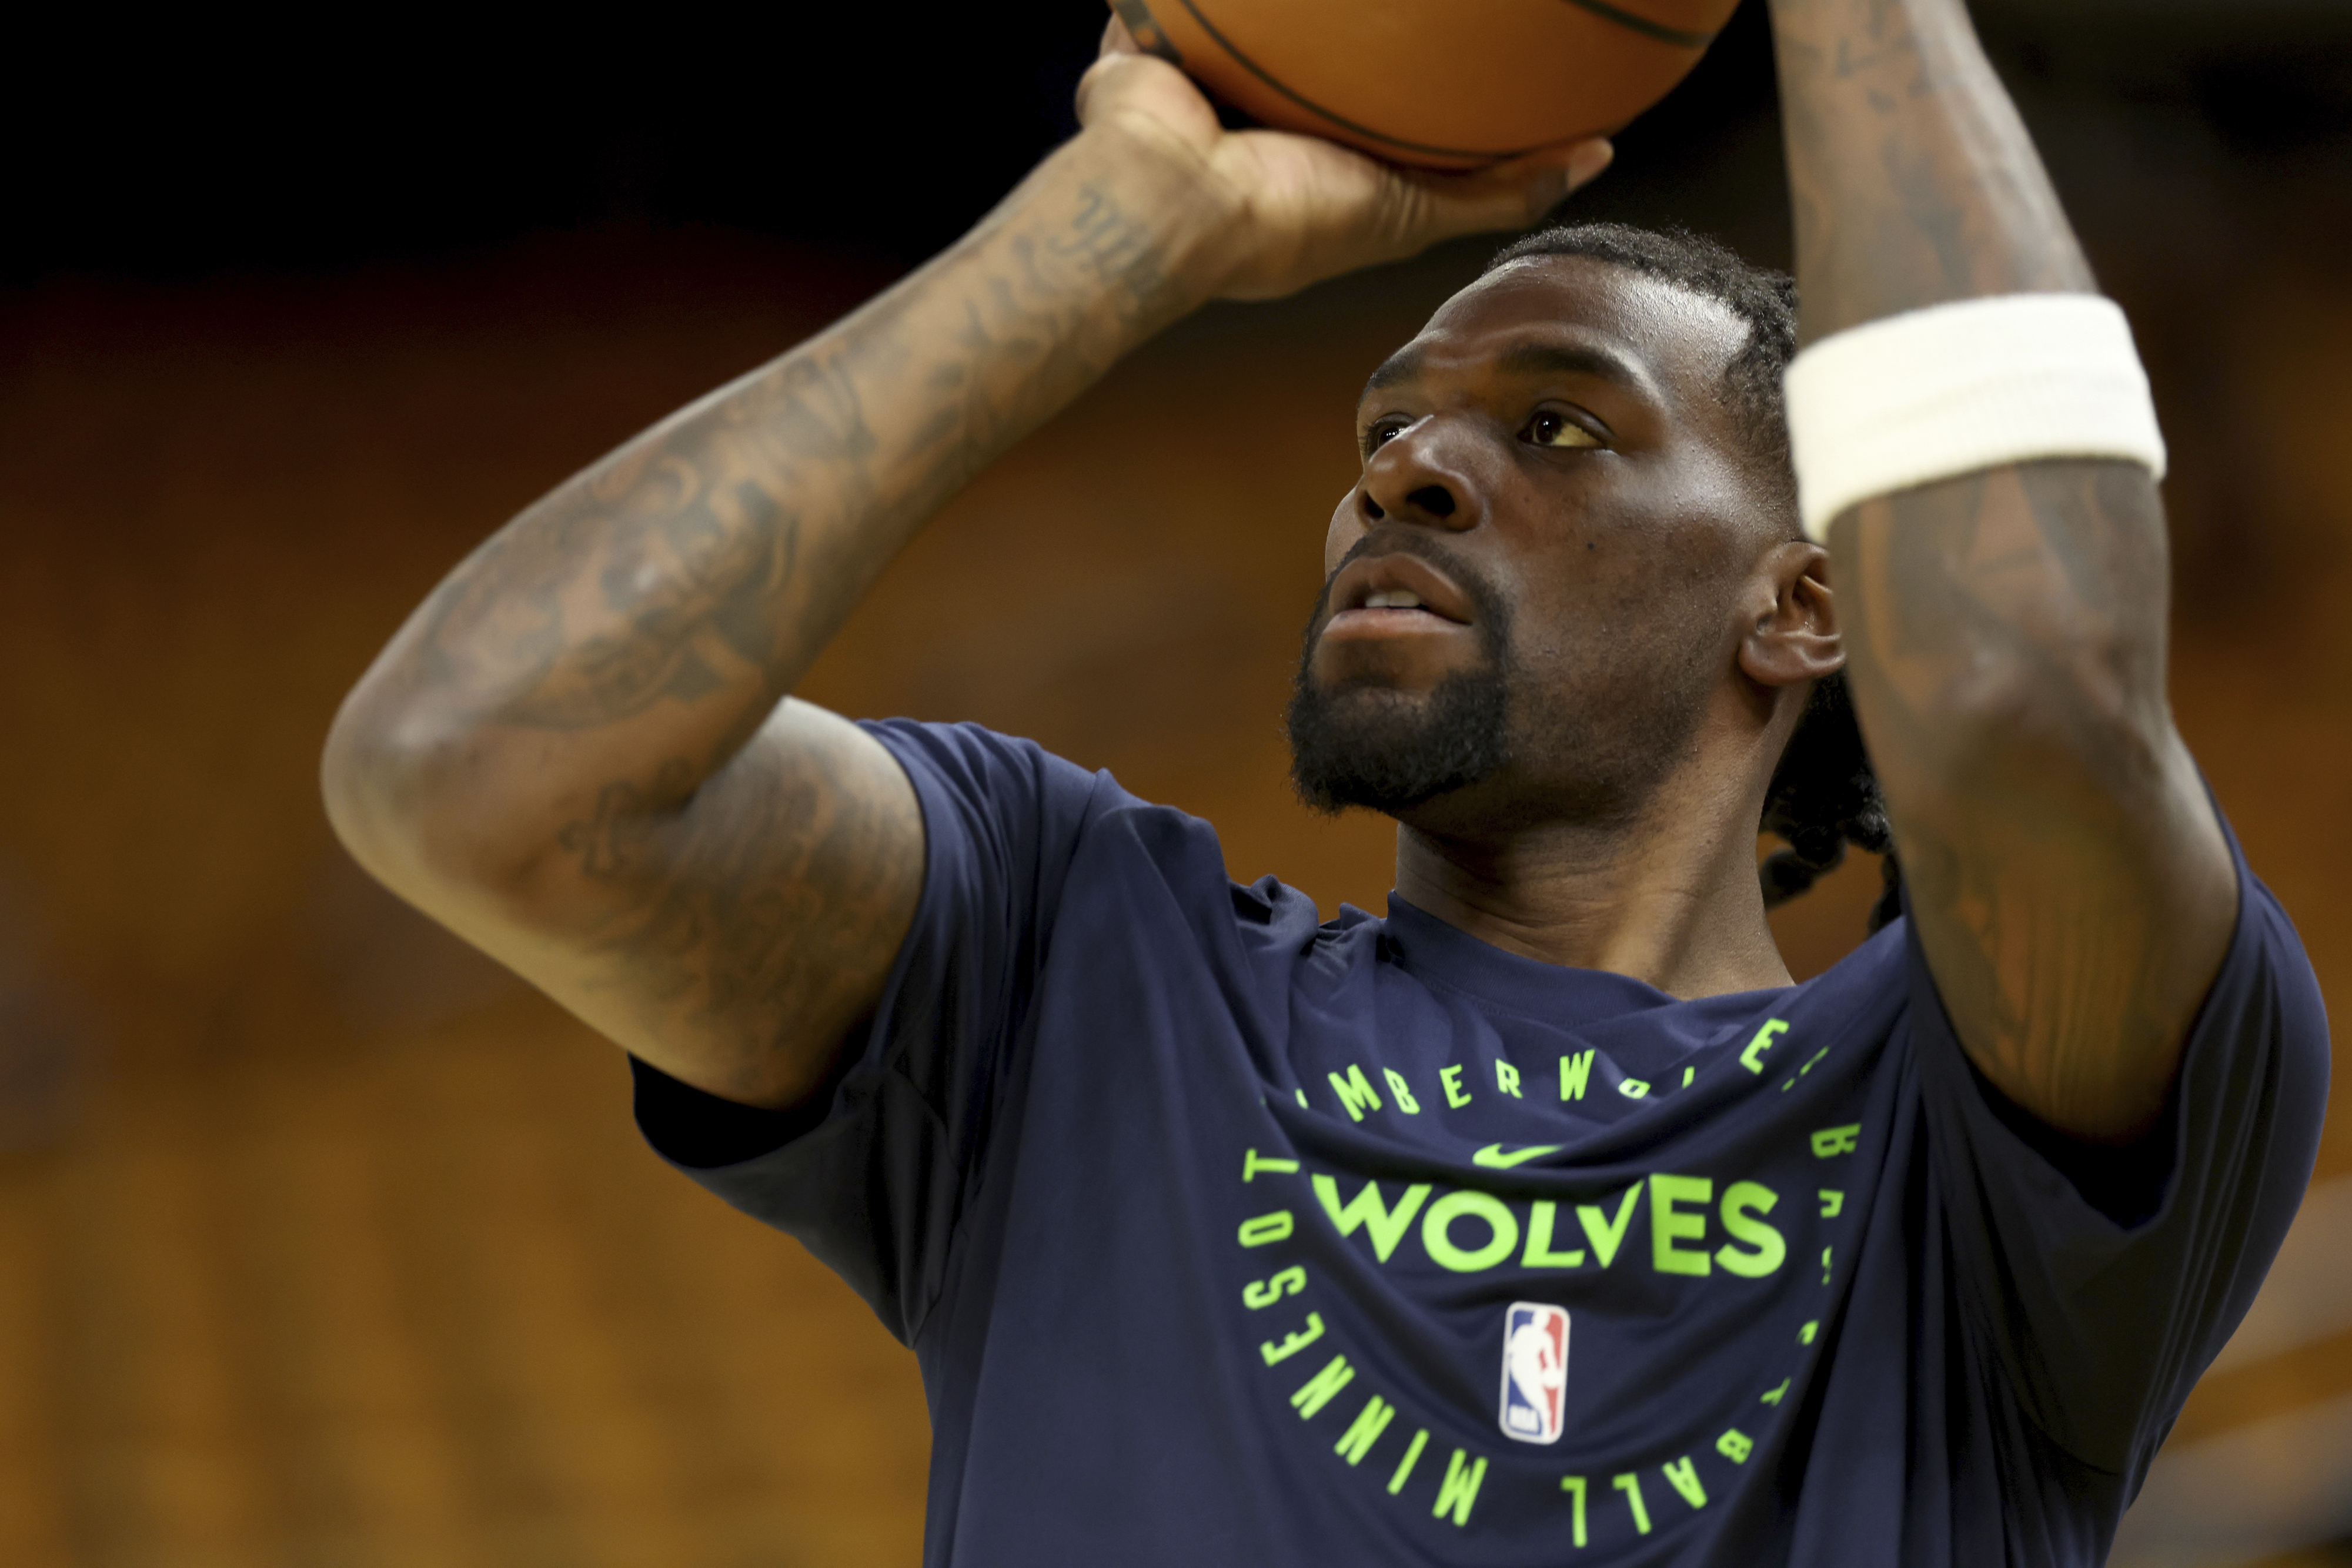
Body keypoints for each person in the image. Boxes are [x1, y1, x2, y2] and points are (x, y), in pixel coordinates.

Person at [320, 0, 2328, 1560]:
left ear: (1807, 605)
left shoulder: (1961, 1123)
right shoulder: (1074, 963)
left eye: (1560, 426)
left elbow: (2033, 685)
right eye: (1385, 430)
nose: (1410, 468)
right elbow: (472, 768)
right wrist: (1110, 232)